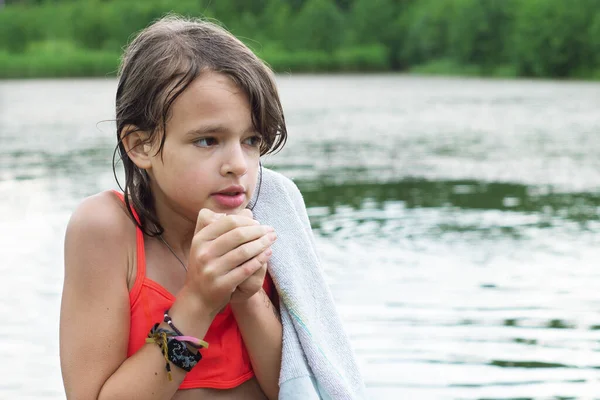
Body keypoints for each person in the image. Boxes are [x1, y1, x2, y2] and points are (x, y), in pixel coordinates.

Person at [60, 15, 288, 400]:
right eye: (207, 140)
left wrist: (248, 297)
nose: (239, 164)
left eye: (251, 140)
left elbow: (299, 386)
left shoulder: (267, 223)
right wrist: (198, 303)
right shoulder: (106, 231)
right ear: (140, 146)